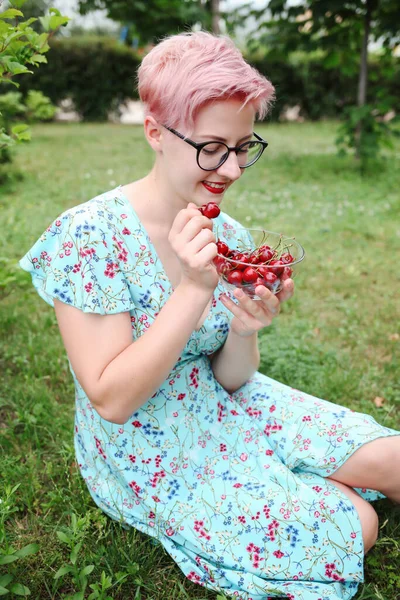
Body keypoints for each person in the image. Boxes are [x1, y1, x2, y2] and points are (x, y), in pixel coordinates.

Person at [20, 31, 399, 600]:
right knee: (352, 523)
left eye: (244, 146)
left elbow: (231, 376)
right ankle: (298, 485)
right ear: (155, 132)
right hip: (147, 444)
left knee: (395, 460)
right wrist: (194, 290)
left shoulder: (228, 233)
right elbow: (112, 399)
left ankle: (293, 475)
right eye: (212, 146)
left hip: (220, 398)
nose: (233, 168)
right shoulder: (90, 236)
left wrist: (244, 330)